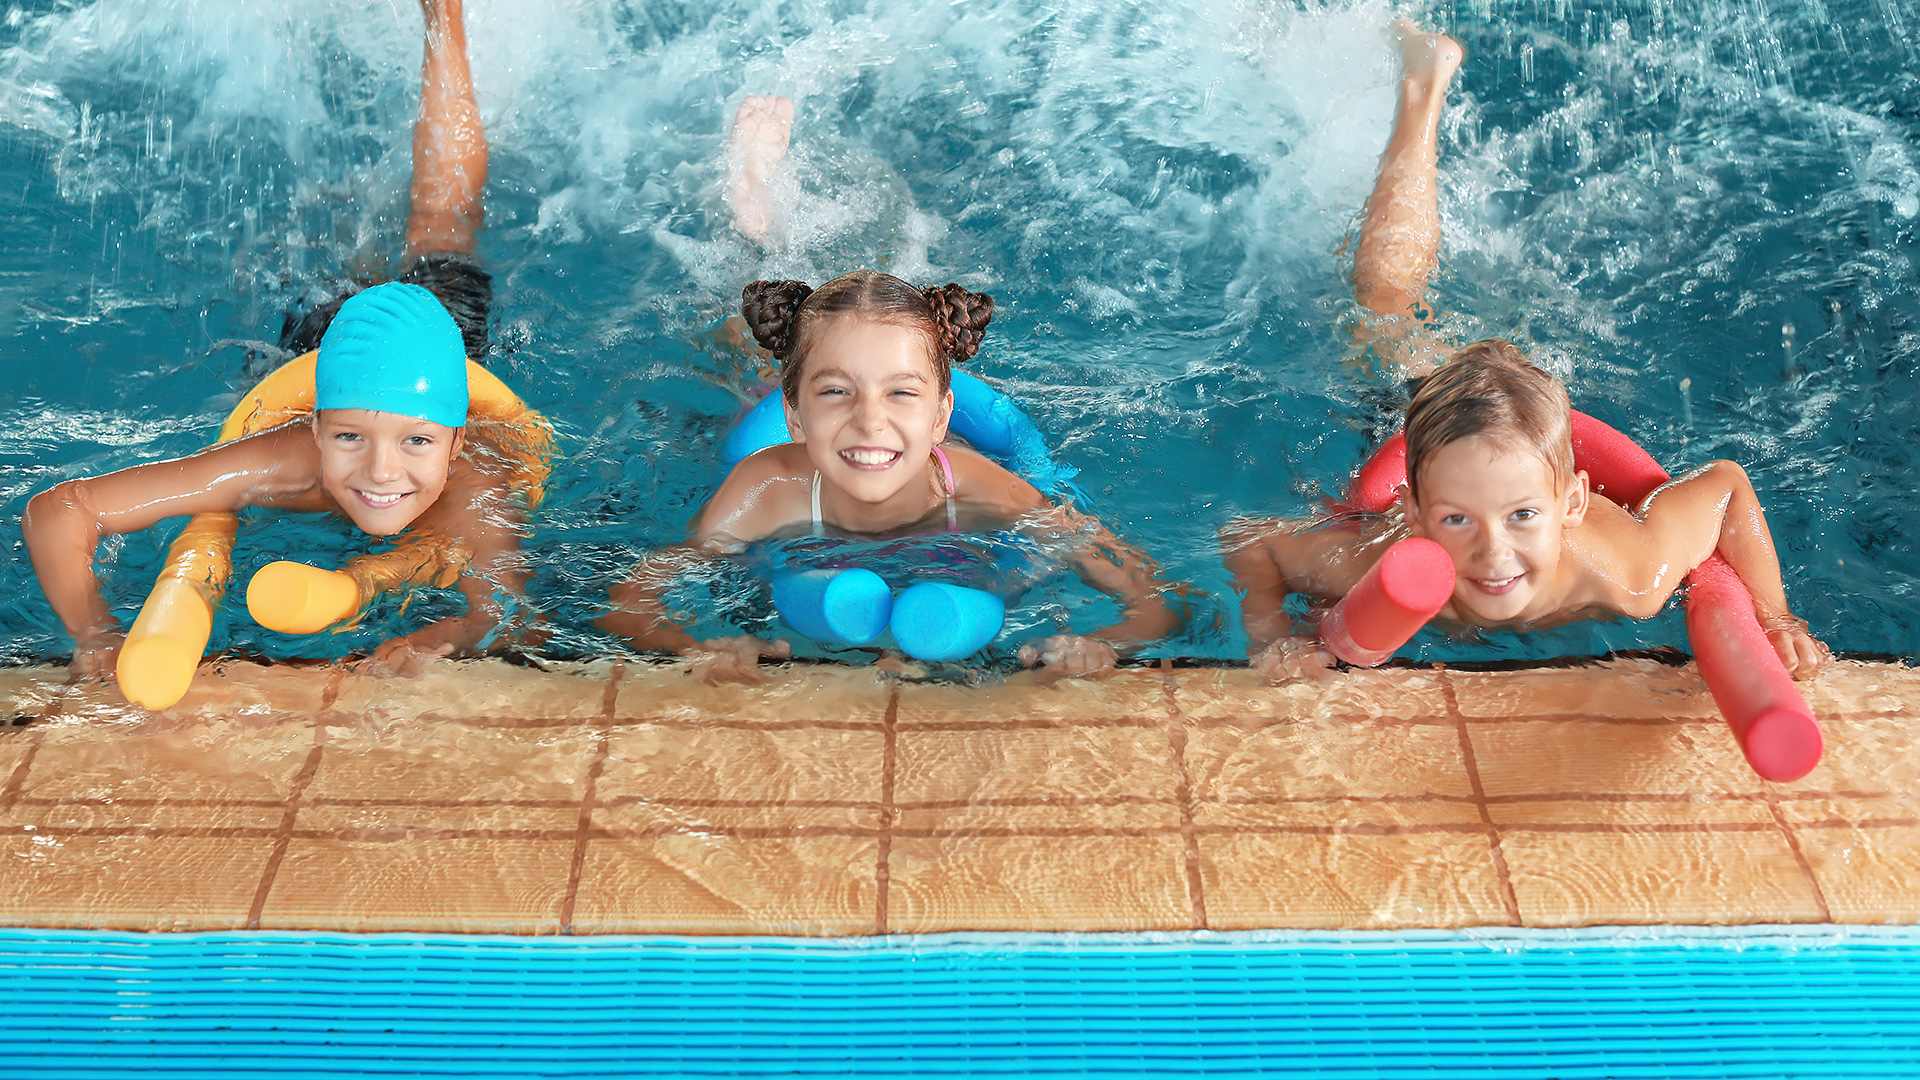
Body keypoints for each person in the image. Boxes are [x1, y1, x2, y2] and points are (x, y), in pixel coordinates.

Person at [1221, 21, 1829, 683]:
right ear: (1413, 512)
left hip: (1489, 431)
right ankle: (1421, 87)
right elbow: (1253, 544)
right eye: (1455, 519)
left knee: (1385, 308)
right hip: (1417, 408)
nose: (1493, 551)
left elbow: (1726, 487)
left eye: (1523, 515)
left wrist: (1776, 616)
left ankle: (1423, 90)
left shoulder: (1631, 575)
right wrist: (1270, 637)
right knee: (1384, 312)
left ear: (1572, 504)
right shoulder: (1379, 554)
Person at [22, 0, 541, 682]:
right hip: (317, 353)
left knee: (443, 222)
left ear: (455, 438)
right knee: (359, 253)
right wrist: (94, 633)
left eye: (417, 441)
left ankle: (445, 14)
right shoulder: (280, 460)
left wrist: (457, 631)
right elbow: (59, 510)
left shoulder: (476, 489)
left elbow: (511, 616)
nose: (382, 472)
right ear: (317, 428)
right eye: (351, 438)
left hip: (438, 334)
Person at [598, 269, 1182, 681]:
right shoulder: (766, 489)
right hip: (772, 427)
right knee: (741, 361)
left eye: (902, 393)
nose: (869, 421)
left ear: (941, 415)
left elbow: (1158, 598)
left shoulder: (986, 490)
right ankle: (752, 242)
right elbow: (627, 603)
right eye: (835, 392)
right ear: (795, 416)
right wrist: (697, 648)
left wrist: (1103, 647)